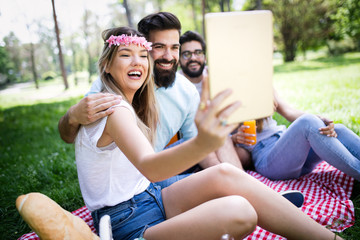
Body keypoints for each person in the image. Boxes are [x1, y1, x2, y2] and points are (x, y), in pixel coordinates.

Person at [76, 25, 341, 240]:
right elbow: (151, 167)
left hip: (148, 197)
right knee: (241, 212)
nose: (137, 61)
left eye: (142, 55)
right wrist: (205, 142)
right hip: (128, 222)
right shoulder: (114, 108)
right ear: (107, 66)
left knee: (225, 173)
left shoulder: (127, 102)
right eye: (125, 54)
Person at [58, 12, 240, 172]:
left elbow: (197, 147)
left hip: (160, 165)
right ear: (142, 47)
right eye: (159, 47)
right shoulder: (113, 85)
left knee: (219, 134)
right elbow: (68, 136)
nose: (169, 57)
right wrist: (72, 115)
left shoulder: (186, 91)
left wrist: (225, 173)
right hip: (131, 179)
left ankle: (238, 180)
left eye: (175, 48)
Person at [232, 88, 360, 181]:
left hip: (289, 147)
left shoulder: (261, 81)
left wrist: (319, 119)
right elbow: (216, 141)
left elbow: (289, 111)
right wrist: (234, 138)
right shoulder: (220, 89)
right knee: (307, 122)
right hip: (268, 159)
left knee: (338, 130)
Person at [179, 30, 252, 169]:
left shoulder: (218, 77)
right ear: (179, 60)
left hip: (223, 140)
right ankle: (232, 182)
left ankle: (227, 177)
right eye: (186, 54)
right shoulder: (177, 84)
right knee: (215, 141)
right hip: (192, 142)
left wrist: (235, 137)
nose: (193, 58)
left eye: (198, 52)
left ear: (205, 57)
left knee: (244, 155)